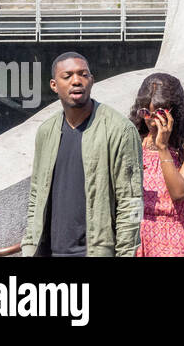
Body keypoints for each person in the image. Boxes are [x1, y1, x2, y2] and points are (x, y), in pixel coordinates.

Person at [22, 52, 143, 257]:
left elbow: (130, 201)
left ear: (91, 80)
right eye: (67, 76)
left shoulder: (119, 130)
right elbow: (36, 194)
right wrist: (29, 246)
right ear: (54, 85)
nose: (76, 81)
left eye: (83, 74)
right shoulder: (46, 131)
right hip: (49, 252)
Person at [129, 72, 184, 257]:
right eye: (145, 113)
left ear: (174, 110)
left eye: (158, 113)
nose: (151, 121)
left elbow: (179, 192)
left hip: (169, 237)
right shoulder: (136, 138)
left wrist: (163, 146)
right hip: (133, 232)